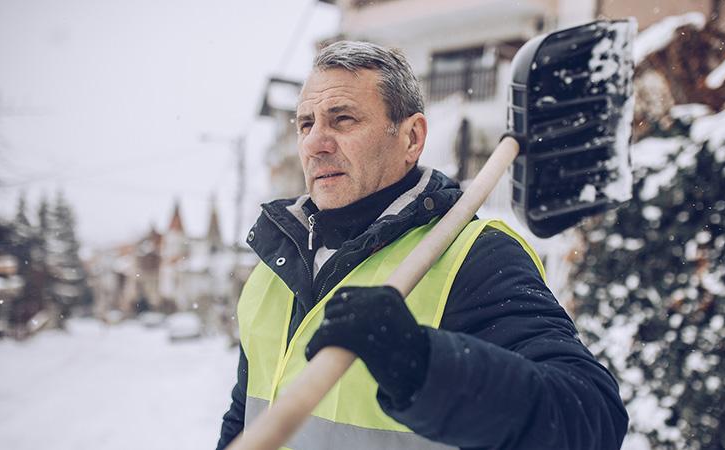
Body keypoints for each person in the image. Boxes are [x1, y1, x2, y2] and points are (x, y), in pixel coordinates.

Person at [216, 41, 628, 450]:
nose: (315, 143)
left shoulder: (474, 257)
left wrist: (421, 363)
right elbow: (246, 415)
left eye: (342, 120)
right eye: (306, 124)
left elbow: (588, 416)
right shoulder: (275, 264)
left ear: (412, 137)